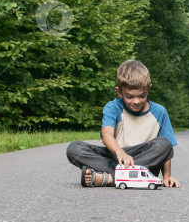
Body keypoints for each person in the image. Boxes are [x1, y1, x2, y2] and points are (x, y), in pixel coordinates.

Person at [66, 60, 181, 188]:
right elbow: (106, 135)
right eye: (130, 96)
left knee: (164, 144)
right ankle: (117, 176)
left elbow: (166, 151)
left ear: (149, 89)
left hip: (144, 162)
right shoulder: (113, 107)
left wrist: (166, 177)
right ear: (119, 92)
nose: (136, 101)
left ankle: (109, 178)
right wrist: (119, 152)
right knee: (74, 148)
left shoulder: (160, 111)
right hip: (117, 155)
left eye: (142, 96)